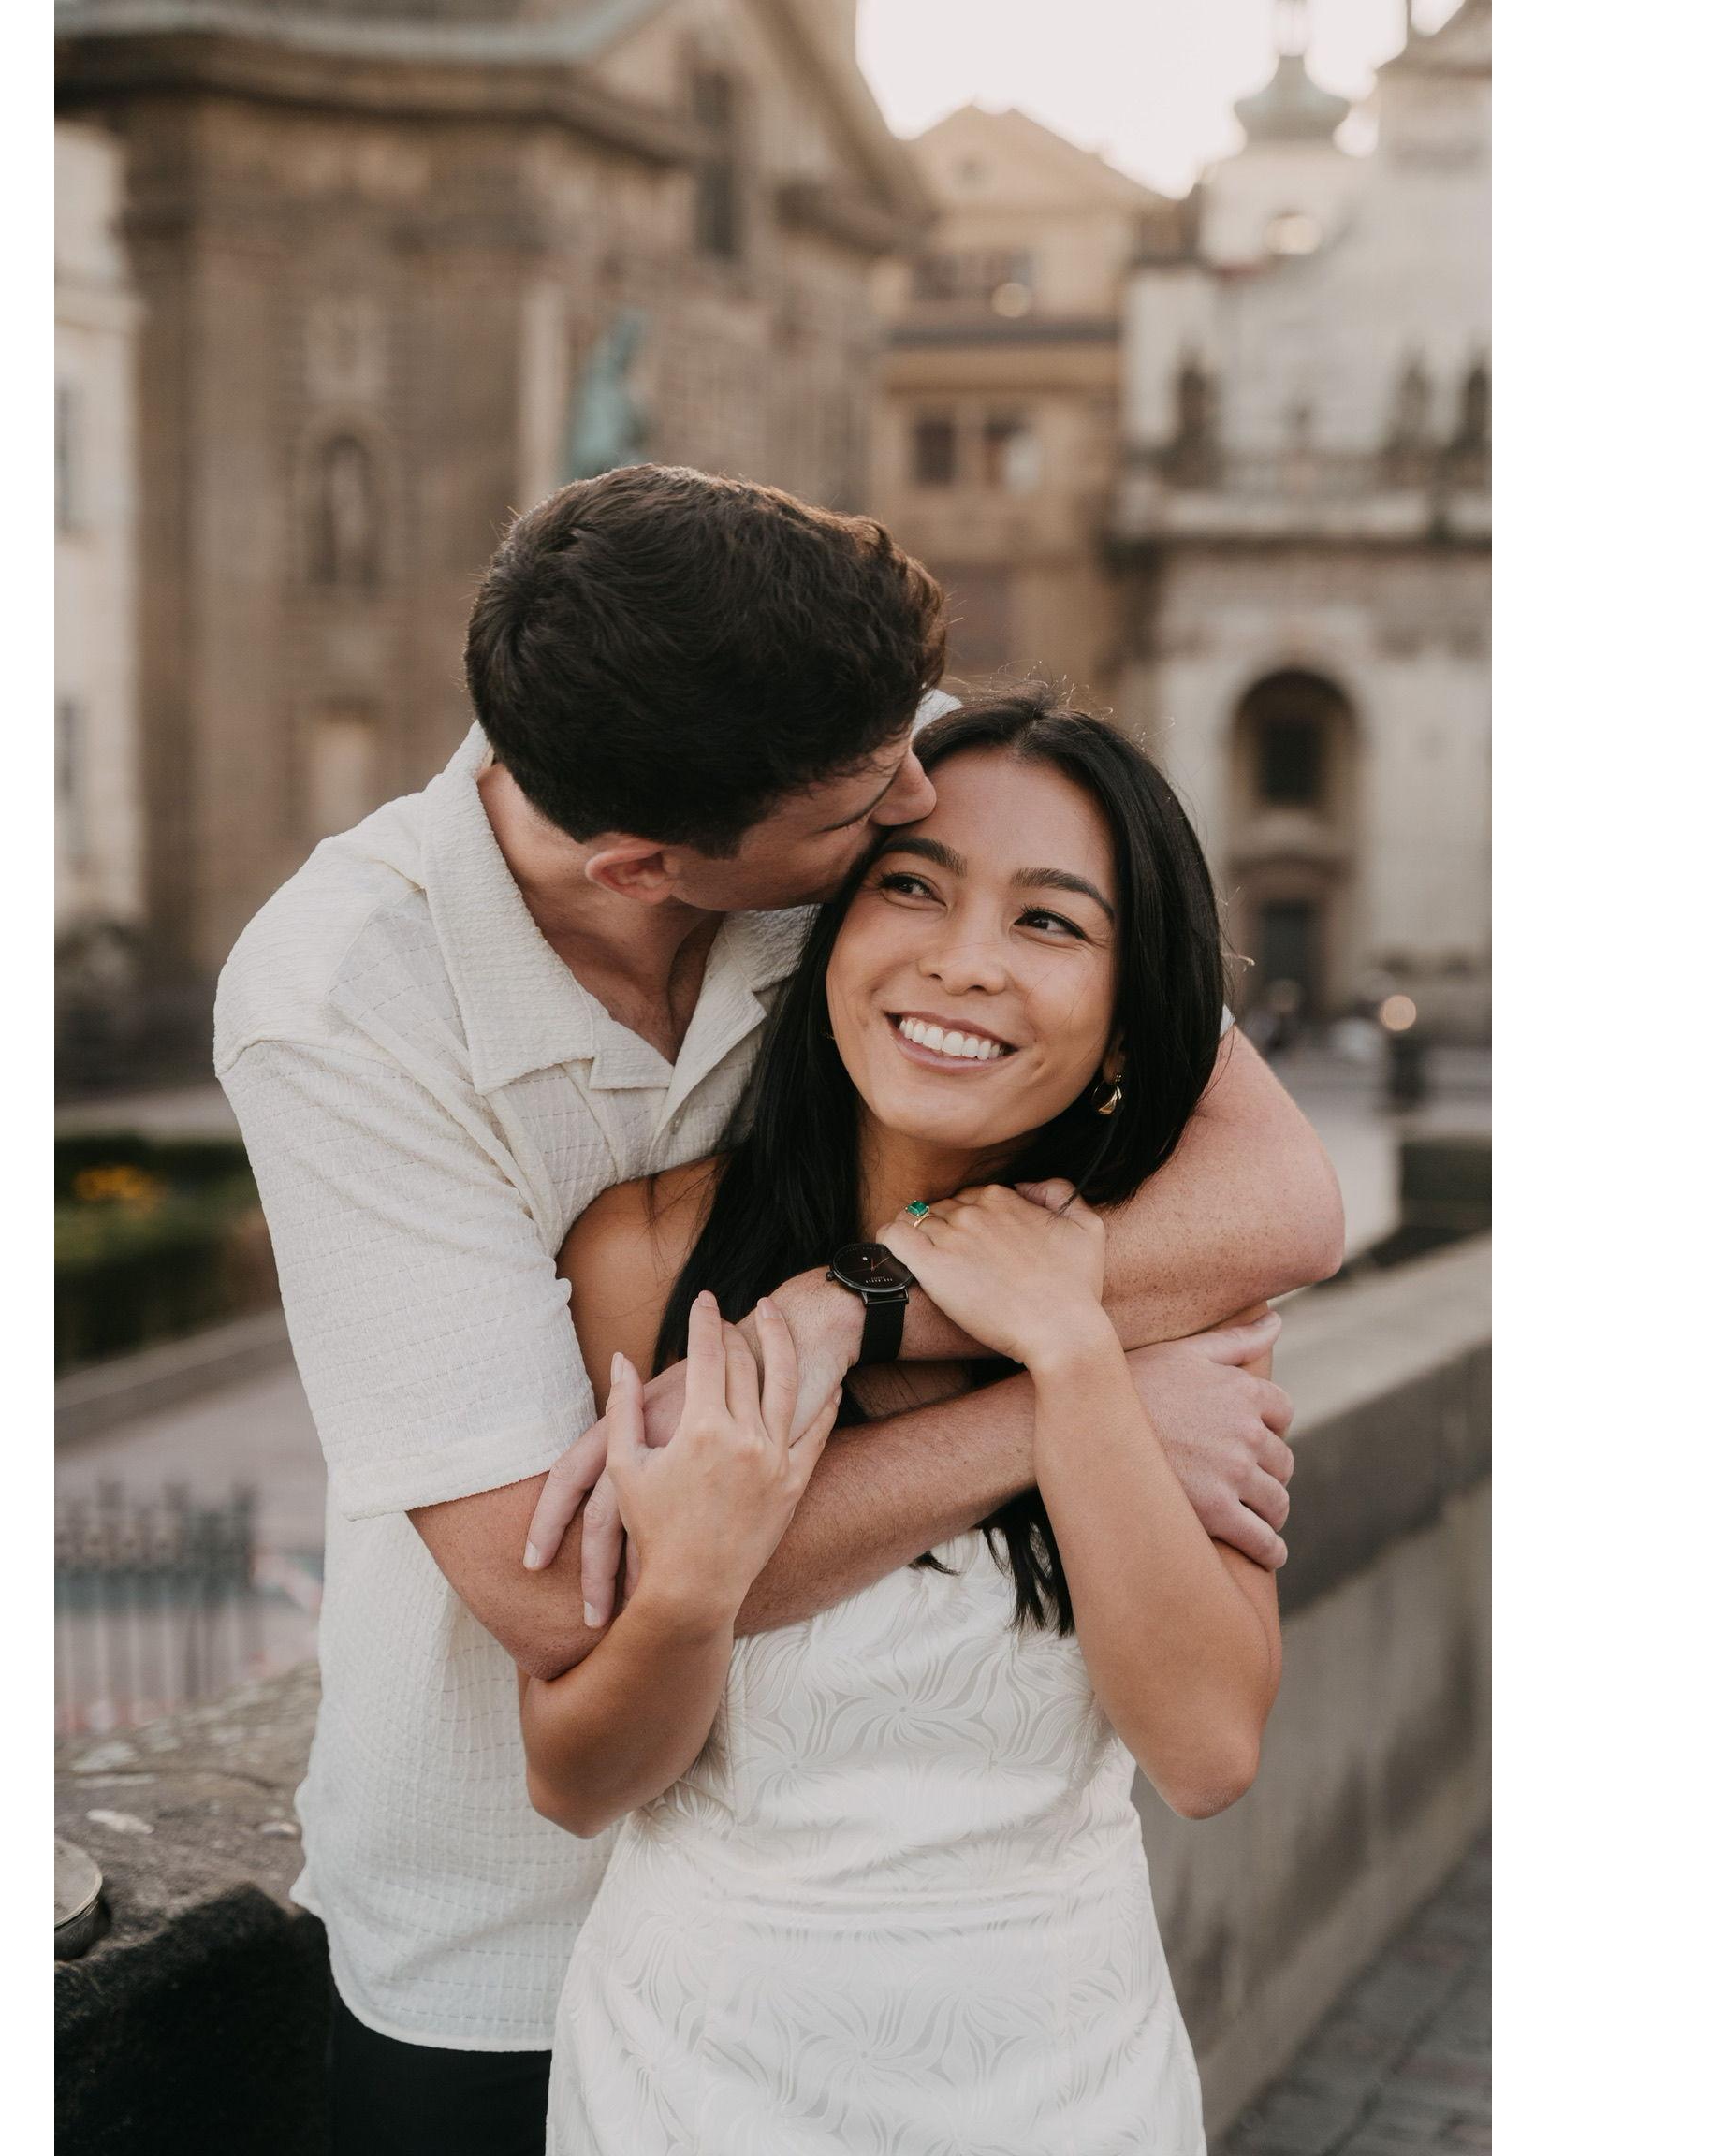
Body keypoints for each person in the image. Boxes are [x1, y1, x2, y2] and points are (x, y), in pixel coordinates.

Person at [214, 466, 1341, 2154]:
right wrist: (1063, 1396)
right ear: (649, 863)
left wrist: (855, 1302)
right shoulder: (340, 1001)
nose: (915, 796)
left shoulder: (863, 755)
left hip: (1031, 2041)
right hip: (505, 1937)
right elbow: (560, 1585)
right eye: (871, 834)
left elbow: (1283, 1198)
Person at [531, 692, 1268, 2151]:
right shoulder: (648, 1255)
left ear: (1130, 1020)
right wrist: (693, 1583)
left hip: (1068, 2081)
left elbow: (1204, 1752)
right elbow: (576, 1782)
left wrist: (1069, 1347)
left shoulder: (1167, 1296)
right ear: (825, 946)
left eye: (1051, 924)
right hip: (697, 2079)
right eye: (912, 890)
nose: (964, 961)